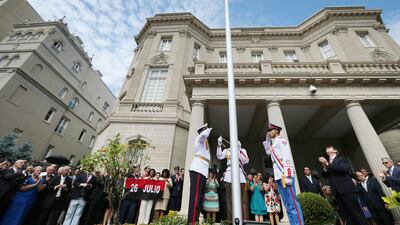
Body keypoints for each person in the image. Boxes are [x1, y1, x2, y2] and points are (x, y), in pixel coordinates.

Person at [263, 123, 304, 225]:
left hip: (285, 174)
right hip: (278, 175)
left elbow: (287, 157)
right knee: (287, 205)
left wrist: (288, 175)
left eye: (271, 130)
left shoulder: (282, 141)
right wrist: (267, 140)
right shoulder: (274, 143)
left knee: (293, 204)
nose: (270, 132)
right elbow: (268, 152)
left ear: (277, 131)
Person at [319, 146, 369, 225]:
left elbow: (343, 169)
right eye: (326, 148)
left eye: (329, 147)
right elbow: (325, 175)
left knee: (356, 212)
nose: (327, 148)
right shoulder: (327, 162)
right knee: (346, 215)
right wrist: (325, 167)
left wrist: (328, 164)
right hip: (336, 192)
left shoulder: (342, 159)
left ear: (335, 150)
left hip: (347, 189)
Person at [216, 136, 250, 222]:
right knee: (229, 200)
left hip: (239, 172)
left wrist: (239, 149)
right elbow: (219, 156)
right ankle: (231, 221)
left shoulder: (242, 150)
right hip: (229, 173)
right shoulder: (228, 150)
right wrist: (219, 145)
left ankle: (244, 220)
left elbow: (246, 160)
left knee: (243, 200)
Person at [188, 123, 212, 225]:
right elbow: (203, 135)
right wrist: (206, 130)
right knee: (196, 197)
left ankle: (195, 220)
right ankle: (192, 222)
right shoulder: (200, 138)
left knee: (199, 199)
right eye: (205, 130)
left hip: (203, 170)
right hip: (198, 168)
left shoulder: (205, 143)